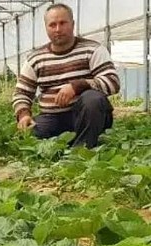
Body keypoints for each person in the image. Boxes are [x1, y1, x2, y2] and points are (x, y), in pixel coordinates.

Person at [13, 3, 119, 148]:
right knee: (30, 135)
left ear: (73, 24)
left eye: (63, 23)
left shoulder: (92, 49)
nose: (58, 29)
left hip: (85, 115)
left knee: (93, 99)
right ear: (46, 28)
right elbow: (21, 92)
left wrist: (77, 86)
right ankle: (73, 141)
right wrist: (24, 114)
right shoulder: (35, 58)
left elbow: (112, 82)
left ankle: (81, 150)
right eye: (52, 25)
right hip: (52, 118)